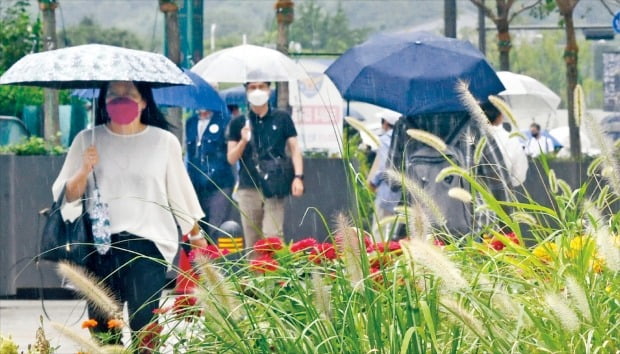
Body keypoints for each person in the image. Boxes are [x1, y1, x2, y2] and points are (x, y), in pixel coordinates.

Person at [52, 81, 206, 340]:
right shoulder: (87, 140)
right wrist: (84, 170)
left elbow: (179, 192)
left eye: (129, 95)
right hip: (101, 247)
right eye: (113, 95)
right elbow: (66, 195)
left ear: (144, 101)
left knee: (145, 326)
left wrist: (195, 236)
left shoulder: (163, 142)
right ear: (103, 102)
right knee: (103, 329)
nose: (121, 100)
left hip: (148, 245)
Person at [227, 81, 304, 256]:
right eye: (253, 88)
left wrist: (298, 177)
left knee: (273, 236)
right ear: (246, 91)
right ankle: (257, 281)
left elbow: (294, 149)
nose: (257, 91)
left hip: (275, 184)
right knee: (252, 240)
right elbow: (231, 158)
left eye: (262, 87)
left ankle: (278, 279)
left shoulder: (282, 118)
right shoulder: (238, 122)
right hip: (248, 186)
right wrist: (243, 141)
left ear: (269, 89)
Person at [186, 109, 235, 237]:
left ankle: (217, 256)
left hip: (220, 182)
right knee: (198, 228)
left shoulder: (225, 120)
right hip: (196, 182)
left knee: (217, 228)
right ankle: (201, 256)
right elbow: (188, 154)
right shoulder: (190, 122)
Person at [368, 109, 401, 241]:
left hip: (386, 191)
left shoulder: (385, 140)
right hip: (402, 192)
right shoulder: (404, 137)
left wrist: (373, 181)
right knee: (395, 233)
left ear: (386, 123)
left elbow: (384, 167)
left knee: (379, 231)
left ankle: (379, 259)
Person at [482, 103, 528, 187]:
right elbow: (519, 176)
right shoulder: (511, 140)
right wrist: (505, 184)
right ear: (501, 115)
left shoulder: (471, 137)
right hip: (503, 195)